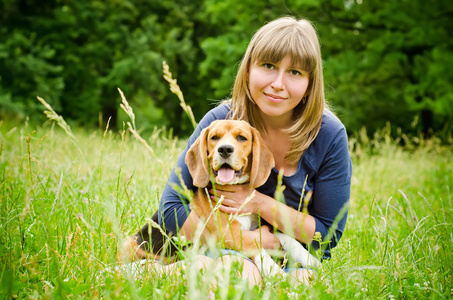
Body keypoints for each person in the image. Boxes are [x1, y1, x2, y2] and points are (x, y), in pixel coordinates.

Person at [156, 16, 352, 287]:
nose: (278, 84)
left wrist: (258, 202)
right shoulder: (221, 120)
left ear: (310, 84)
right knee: (236, 272)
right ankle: (151, 270)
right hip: (226, 249)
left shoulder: (329, 135)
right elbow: (170, 210)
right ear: (248, 70)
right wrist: (251, 242)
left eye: (295, 72)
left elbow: (327, 235)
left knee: (304, 284)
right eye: (269, 66)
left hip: (297, 256)